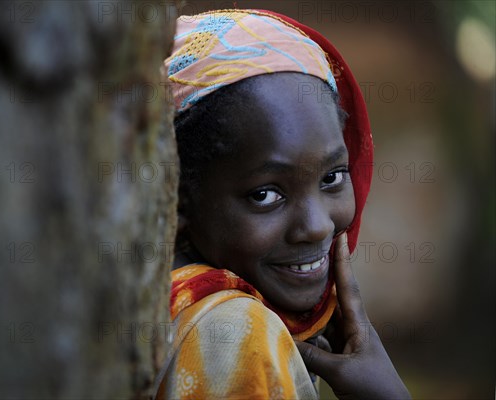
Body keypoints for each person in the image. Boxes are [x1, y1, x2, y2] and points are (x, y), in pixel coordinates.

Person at [154, 9, 410, 399]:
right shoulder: (238, 333)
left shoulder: (153, 303)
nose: (318, 226)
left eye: (331, 177)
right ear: (178, 200)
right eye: (266, 195)